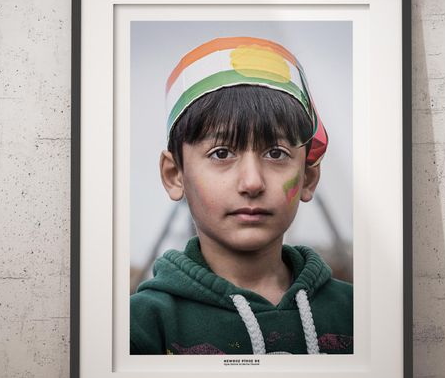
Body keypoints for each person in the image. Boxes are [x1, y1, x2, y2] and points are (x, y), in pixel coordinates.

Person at [130, 36, 353, 355]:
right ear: (174, 174)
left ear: (308, 176)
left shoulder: (357, 315)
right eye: (221, 153)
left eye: (276, 153)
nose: (252, 182)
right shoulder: (140, 328)